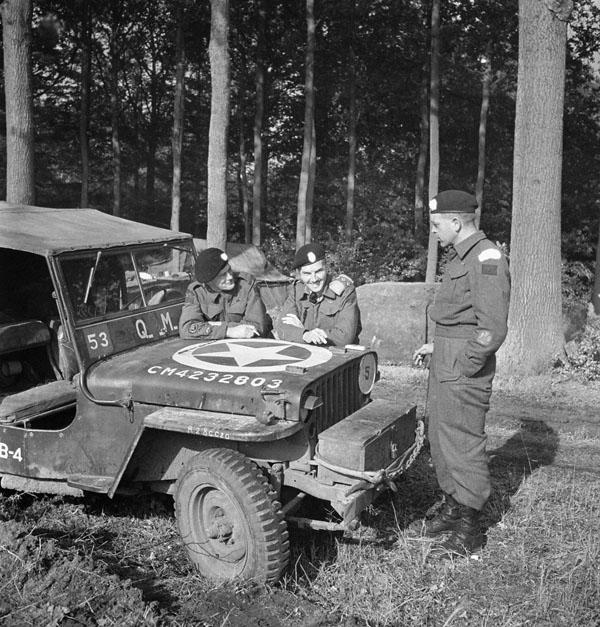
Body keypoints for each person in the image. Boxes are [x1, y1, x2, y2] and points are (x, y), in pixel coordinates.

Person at [413, 190, 510, 557]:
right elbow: (463, 317)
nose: (435, 232)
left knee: (464, 442)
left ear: (456, 222)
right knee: (440, 436)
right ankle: (454, 506)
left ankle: (469, 528)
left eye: (437, 225)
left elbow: (491, 330)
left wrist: (465, 364)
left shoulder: (487, 258)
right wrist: (441, 347)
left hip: (463, 368)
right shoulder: (461, 256)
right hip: (448, 358)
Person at [274, 243, 361, 346]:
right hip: (307, 354)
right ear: (299, 273)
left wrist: (305, 331)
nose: (314, 279)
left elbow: (345, 337)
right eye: (307, 274)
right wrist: (305, 334)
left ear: (326, 268)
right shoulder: (297, 290)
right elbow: (282, 328)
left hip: (338, 356)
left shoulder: (344, 292)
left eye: (319, 271)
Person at [179, 247, 268, 340]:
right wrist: (228, 331)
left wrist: (215, 325)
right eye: (223, 275)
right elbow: (187, 329)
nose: (230, 277)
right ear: (209, 281)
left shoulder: (246, 284)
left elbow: (257, 328)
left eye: (229, 270)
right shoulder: (197, 291)